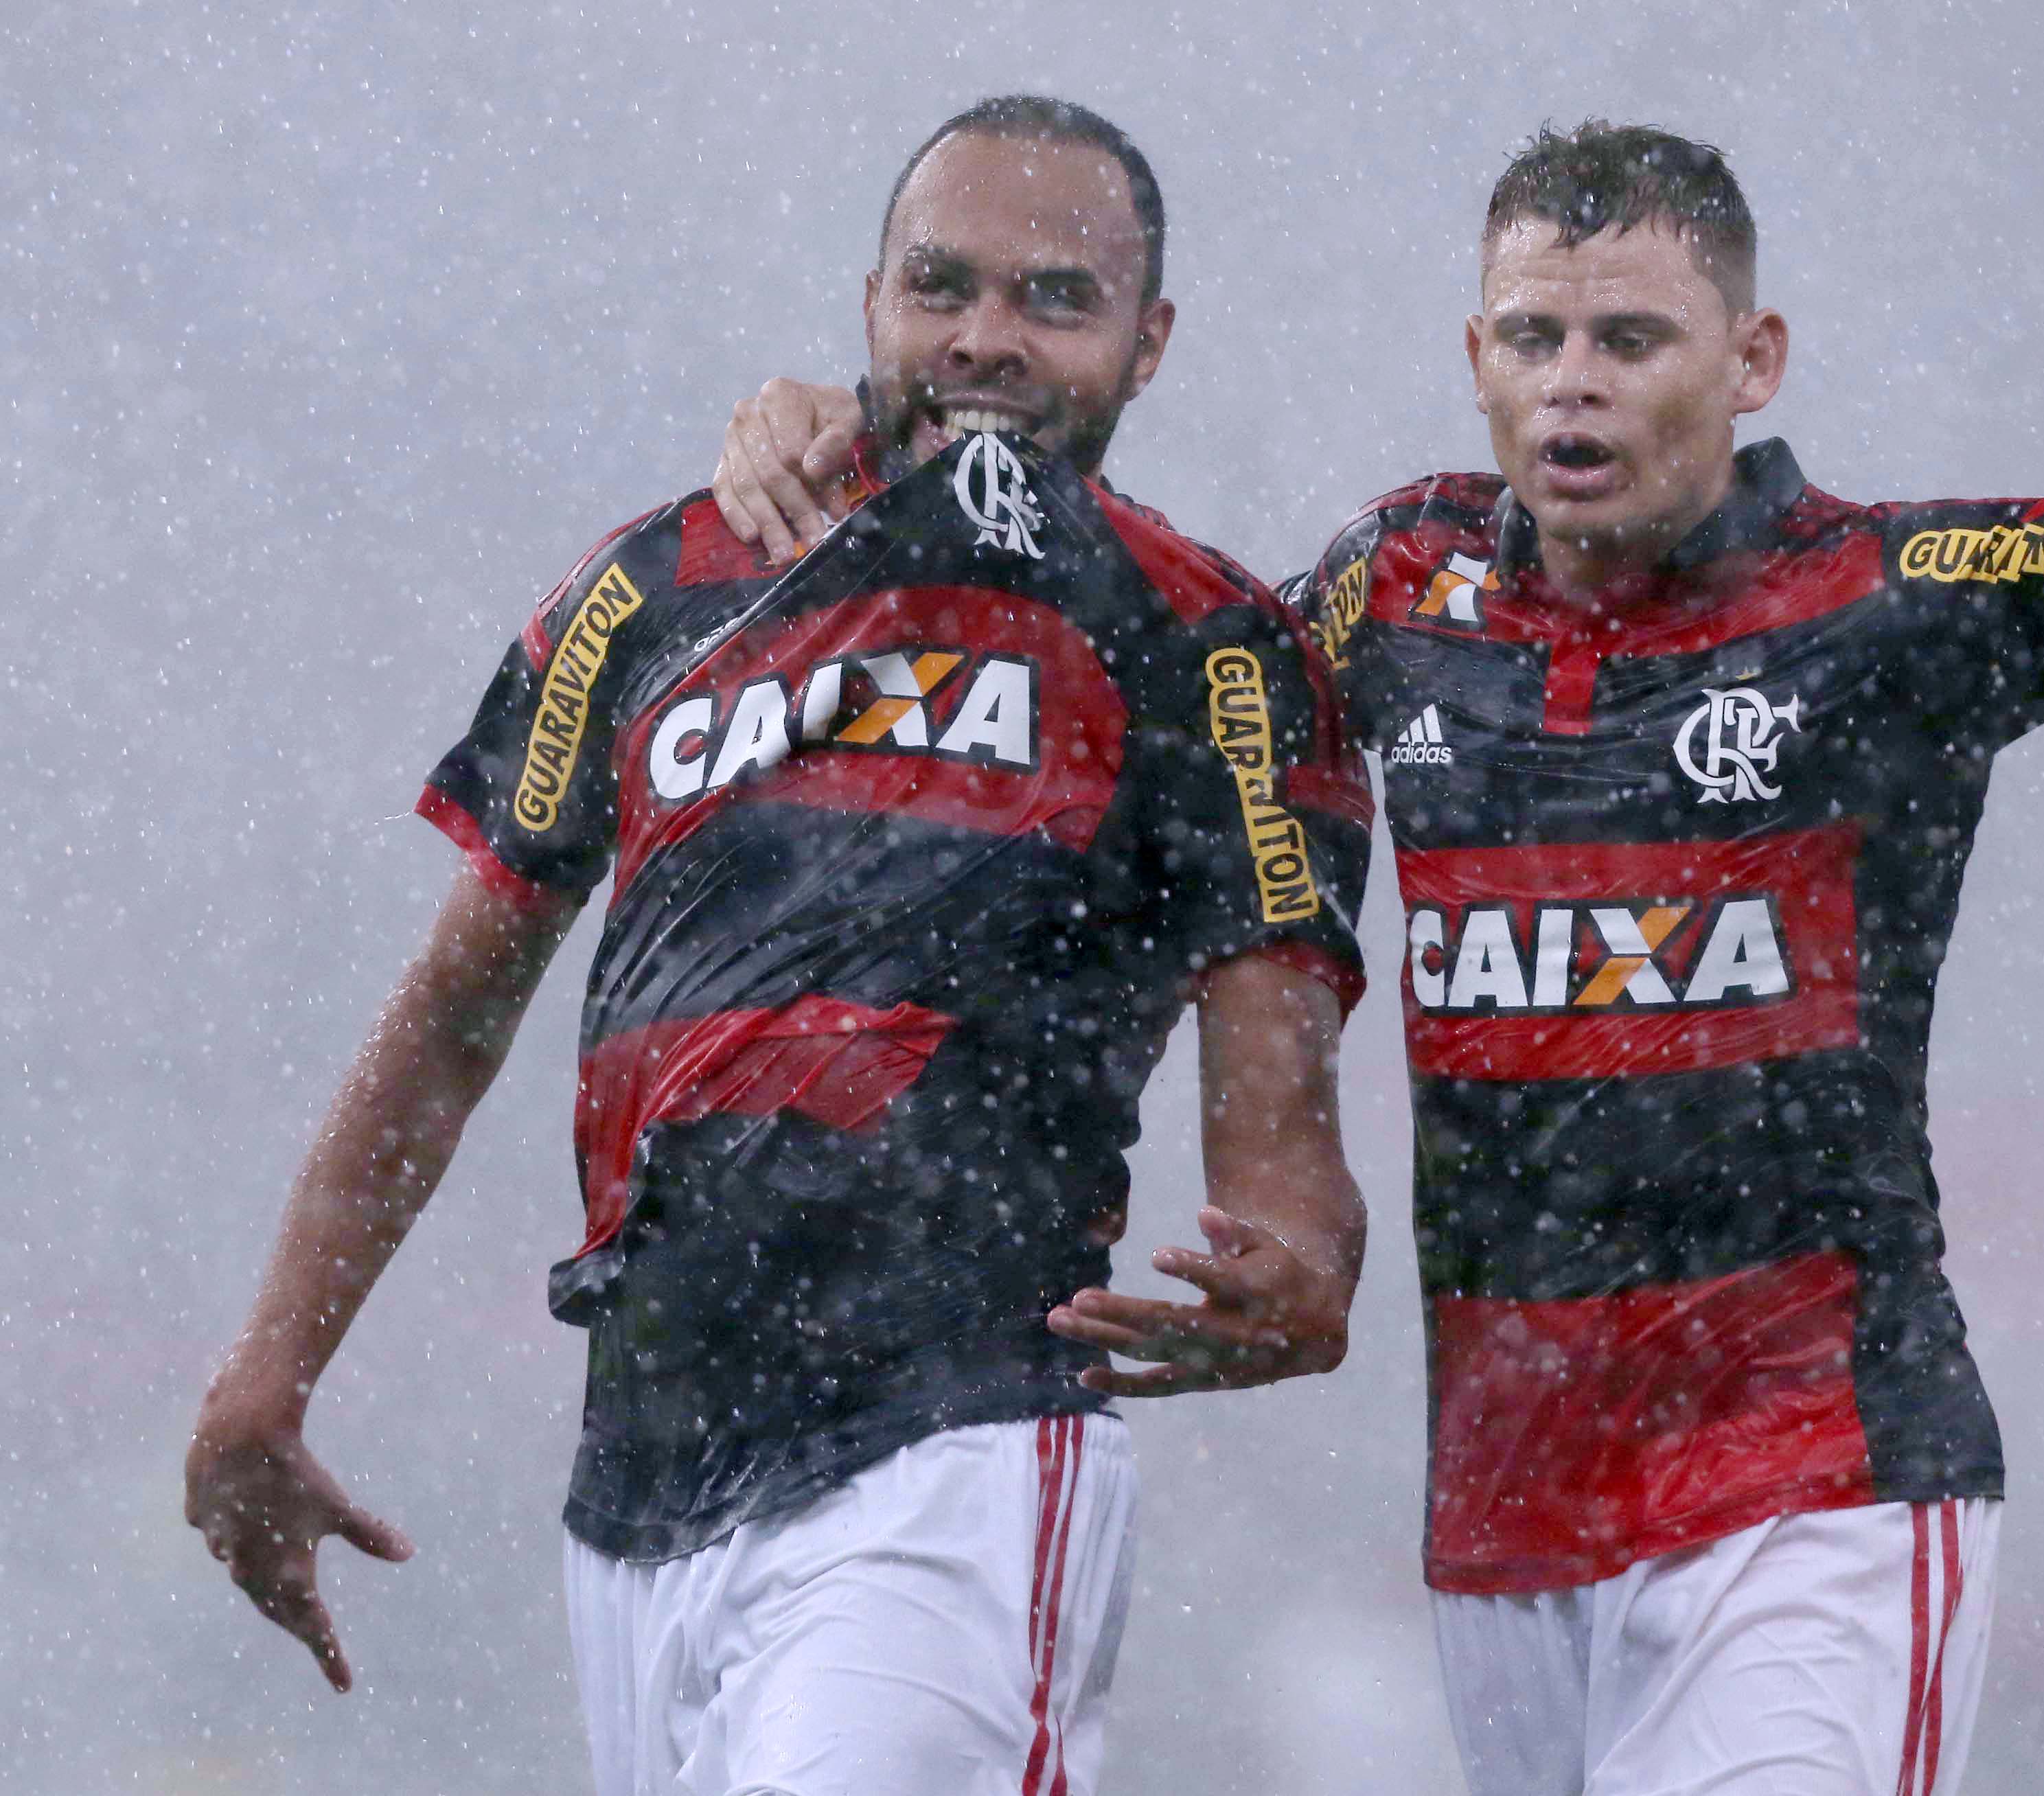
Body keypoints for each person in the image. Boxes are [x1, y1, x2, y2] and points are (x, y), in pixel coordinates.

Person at [714, 21, 2044, 1796]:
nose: (1573, 384)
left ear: (1751, 360)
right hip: (1509, 1527)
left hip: (1817, 1496)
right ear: (1477, 358)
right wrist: (879, 443)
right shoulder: (1394, 594)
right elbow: (1148, 708)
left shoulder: (1895, 602)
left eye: (1630, 339)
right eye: (1535, 337)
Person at [184, 97, 1377, 1796]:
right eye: (940, 285)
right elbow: (454, 1021)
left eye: (1054, 298)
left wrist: (1296, 1266)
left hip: (952, 1443)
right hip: (637, 1490)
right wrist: (266, 1376)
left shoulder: (1213, 645)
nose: (985, 337)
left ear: (1151, 340)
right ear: (868, 300)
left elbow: (1285, 1142)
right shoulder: (658, 585)